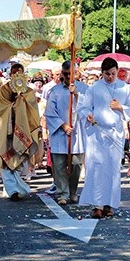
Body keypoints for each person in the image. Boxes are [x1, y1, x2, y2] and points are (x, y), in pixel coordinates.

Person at [77, 57, 130, 219]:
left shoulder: (124, 88)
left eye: (113, 74)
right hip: (97, 133)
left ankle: (109, 204)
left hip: (115, 133)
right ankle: (97, 205)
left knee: (112, 169)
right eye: (107, 74)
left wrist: (121, 107)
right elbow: (84, 107)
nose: (110, 77)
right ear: (101, 73)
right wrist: (88, 114)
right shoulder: (94, 88)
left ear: (117, 72)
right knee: (97, 168)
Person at [0, 63, 41, 201]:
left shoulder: (28, 91)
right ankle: (11, 189)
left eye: (20, 73)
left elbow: (33, 109)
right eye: (14, 72)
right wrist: (12, 105)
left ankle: (15, 188)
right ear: (10, 74)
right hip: (5, 130)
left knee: (18, 158)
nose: (17, 75)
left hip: (21, 130)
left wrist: (21, 101)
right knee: (6, 160)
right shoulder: (3, 90)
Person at [44, 61, 89, 205]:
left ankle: (73, 191)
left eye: (71, 73)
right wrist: (62, 125)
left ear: (76, 73)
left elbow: (88, 108)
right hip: (60, 132)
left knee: (76, 164)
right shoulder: (55, 91)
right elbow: (50, 112)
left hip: (77, 132)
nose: (68, 76)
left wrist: (76, 95)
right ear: (62, 73)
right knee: (59, 165)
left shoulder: (84, 89)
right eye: (65, 73)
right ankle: (62, 193)